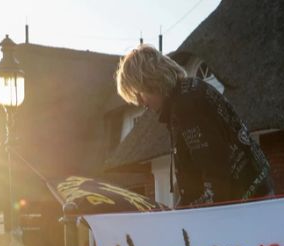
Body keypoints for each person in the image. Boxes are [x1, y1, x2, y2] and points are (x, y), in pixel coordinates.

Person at [115, 44, 273, 207]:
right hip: (250, 195)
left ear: (151, 81)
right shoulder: (186, 94)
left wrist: (194, 216)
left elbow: (215, 170)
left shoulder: (186, 105)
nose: (140, 103)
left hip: (245, 203)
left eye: (139, 94)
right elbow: (194, 180)